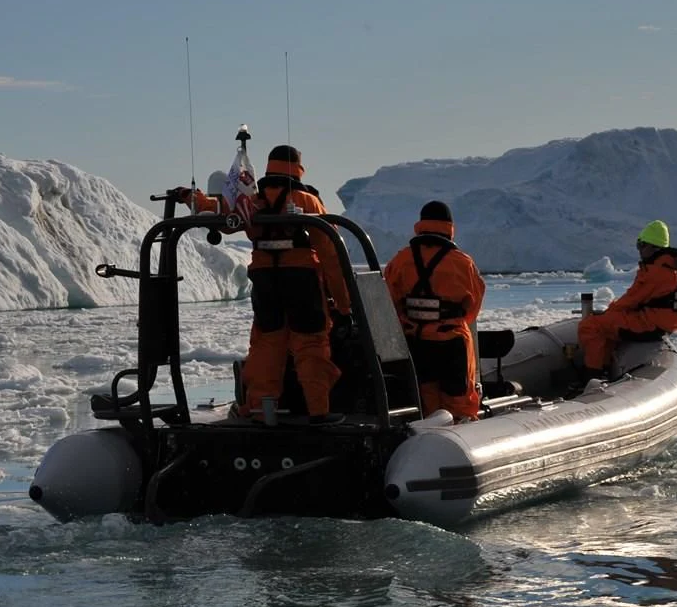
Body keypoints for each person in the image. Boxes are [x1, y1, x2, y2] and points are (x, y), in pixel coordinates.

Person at [177, 144, 351, 422]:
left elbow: (220, 212)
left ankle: (260, 410)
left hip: (266, 283)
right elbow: (332, 257)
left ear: (269, 167)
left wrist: (191, 196)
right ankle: (319, 412)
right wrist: (344, 305)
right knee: (310, 346)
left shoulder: (251, 200)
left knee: (267, 347)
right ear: (298, 167)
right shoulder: (308, 202)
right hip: (302, 282)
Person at [383, 200, 486, 422]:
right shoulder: (462, 263)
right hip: (452, 342)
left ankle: (429, 436)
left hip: (417, 343)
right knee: (460, 399)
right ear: (449, 227)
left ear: (420, 224)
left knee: (427, 398)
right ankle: (461, 438)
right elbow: (473, 306)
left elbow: (389, 300)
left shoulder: (401, 260)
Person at [576, 219, 677, 383]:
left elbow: (633, 299)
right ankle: (604, 368)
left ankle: (593, 376)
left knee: (591, 326)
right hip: (664, 320)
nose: (639, 250)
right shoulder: (673, 267)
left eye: (642, 245)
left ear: (653, 247)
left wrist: (610, 310)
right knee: (608, 324)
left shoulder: (657, 271)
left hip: (652, 322)